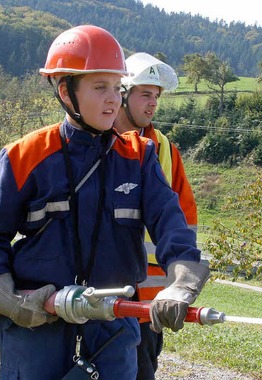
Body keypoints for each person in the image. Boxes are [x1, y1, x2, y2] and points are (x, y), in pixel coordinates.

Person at [0, 25, 209, 380]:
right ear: (66, 92)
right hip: (38, 330)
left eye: (116, 87)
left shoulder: (139, 157)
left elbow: (172, 225)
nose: (113, 99)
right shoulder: (24, 157)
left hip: (113, 331)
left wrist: (181, 283)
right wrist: (12, 302)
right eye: (100, 88)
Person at [115, 52, 198, 380]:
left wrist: (178, 284)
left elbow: (186, 222)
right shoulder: (96, 142)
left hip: (148, 304)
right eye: (145, 95)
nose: (153, 105)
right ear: (122, 94)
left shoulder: (165, 151)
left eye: (157, 96)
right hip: (99, 294)